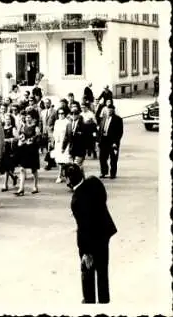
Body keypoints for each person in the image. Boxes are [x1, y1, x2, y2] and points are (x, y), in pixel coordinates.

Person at [64, 163, 117, 304]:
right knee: (102, 270)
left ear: (69, 180)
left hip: (90, 239)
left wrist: (86, 251)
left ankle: (89, 299)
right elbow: (103, 197)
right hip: (104, 232)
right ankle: (104, 300)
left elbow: (84, 227)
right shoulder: (94, 182)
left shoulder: (76, 200)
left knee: (87, 269)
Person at [15, 110, 41, 196]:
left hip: (32, 150)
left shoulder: (36, 128)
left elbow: (38, 139)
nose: (27, 119)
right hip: (24, 149)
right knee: (22, 169)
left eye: (29, 117)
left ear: (33, 119)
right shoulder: (23, 126)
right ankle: (21, 188)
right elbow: (20, 135)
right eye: (26, 117)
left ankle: (35, 186)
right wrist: (21, 138)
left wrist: (33, 140)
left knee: (34, 170)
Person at [98, 103, 123, 179]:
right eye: (108, 110)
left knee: (113, 158)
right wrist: (98, 141)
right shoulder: (104, 118)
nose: (109, 111)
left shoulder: (118, 119)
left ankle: (113, 174)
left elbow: (120, 132)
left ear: (113, 110)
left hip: (112, 142)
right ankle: (104, 172)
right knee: (102, 158)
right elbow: (100, 130)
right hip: (103, 140)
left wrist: (115, 142)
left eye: (111, 110)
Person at [62, 103, 87, 172]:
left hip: (80, 149)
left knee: (77, 166)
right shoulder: (69, 125)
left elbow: (86, 138)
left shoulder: (83, 125)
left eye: (75, 113)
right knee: (73, 166)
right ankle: (81, 180)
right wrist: (63, 148)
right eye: (72, 113)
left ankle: (80, 180)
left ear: (79, 115)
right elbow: (66, 137)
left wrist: (86, 149)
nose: (73, 115)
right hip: (71, 149)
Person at [52, 106, 72, 183]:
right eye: (59, 113)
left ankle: (63, 175)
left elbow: (68, 135)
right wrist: (54, 141)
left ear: (65, 114)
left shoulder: (67, 122)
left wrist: (67, 144)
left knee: (65, 160)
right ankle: (61, 175)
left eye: (62, 113)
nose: (61, 115)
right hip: (58, 143)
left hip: (65, 143)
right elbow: (54, 132)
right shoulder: (57, 122)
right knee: (59, 160)